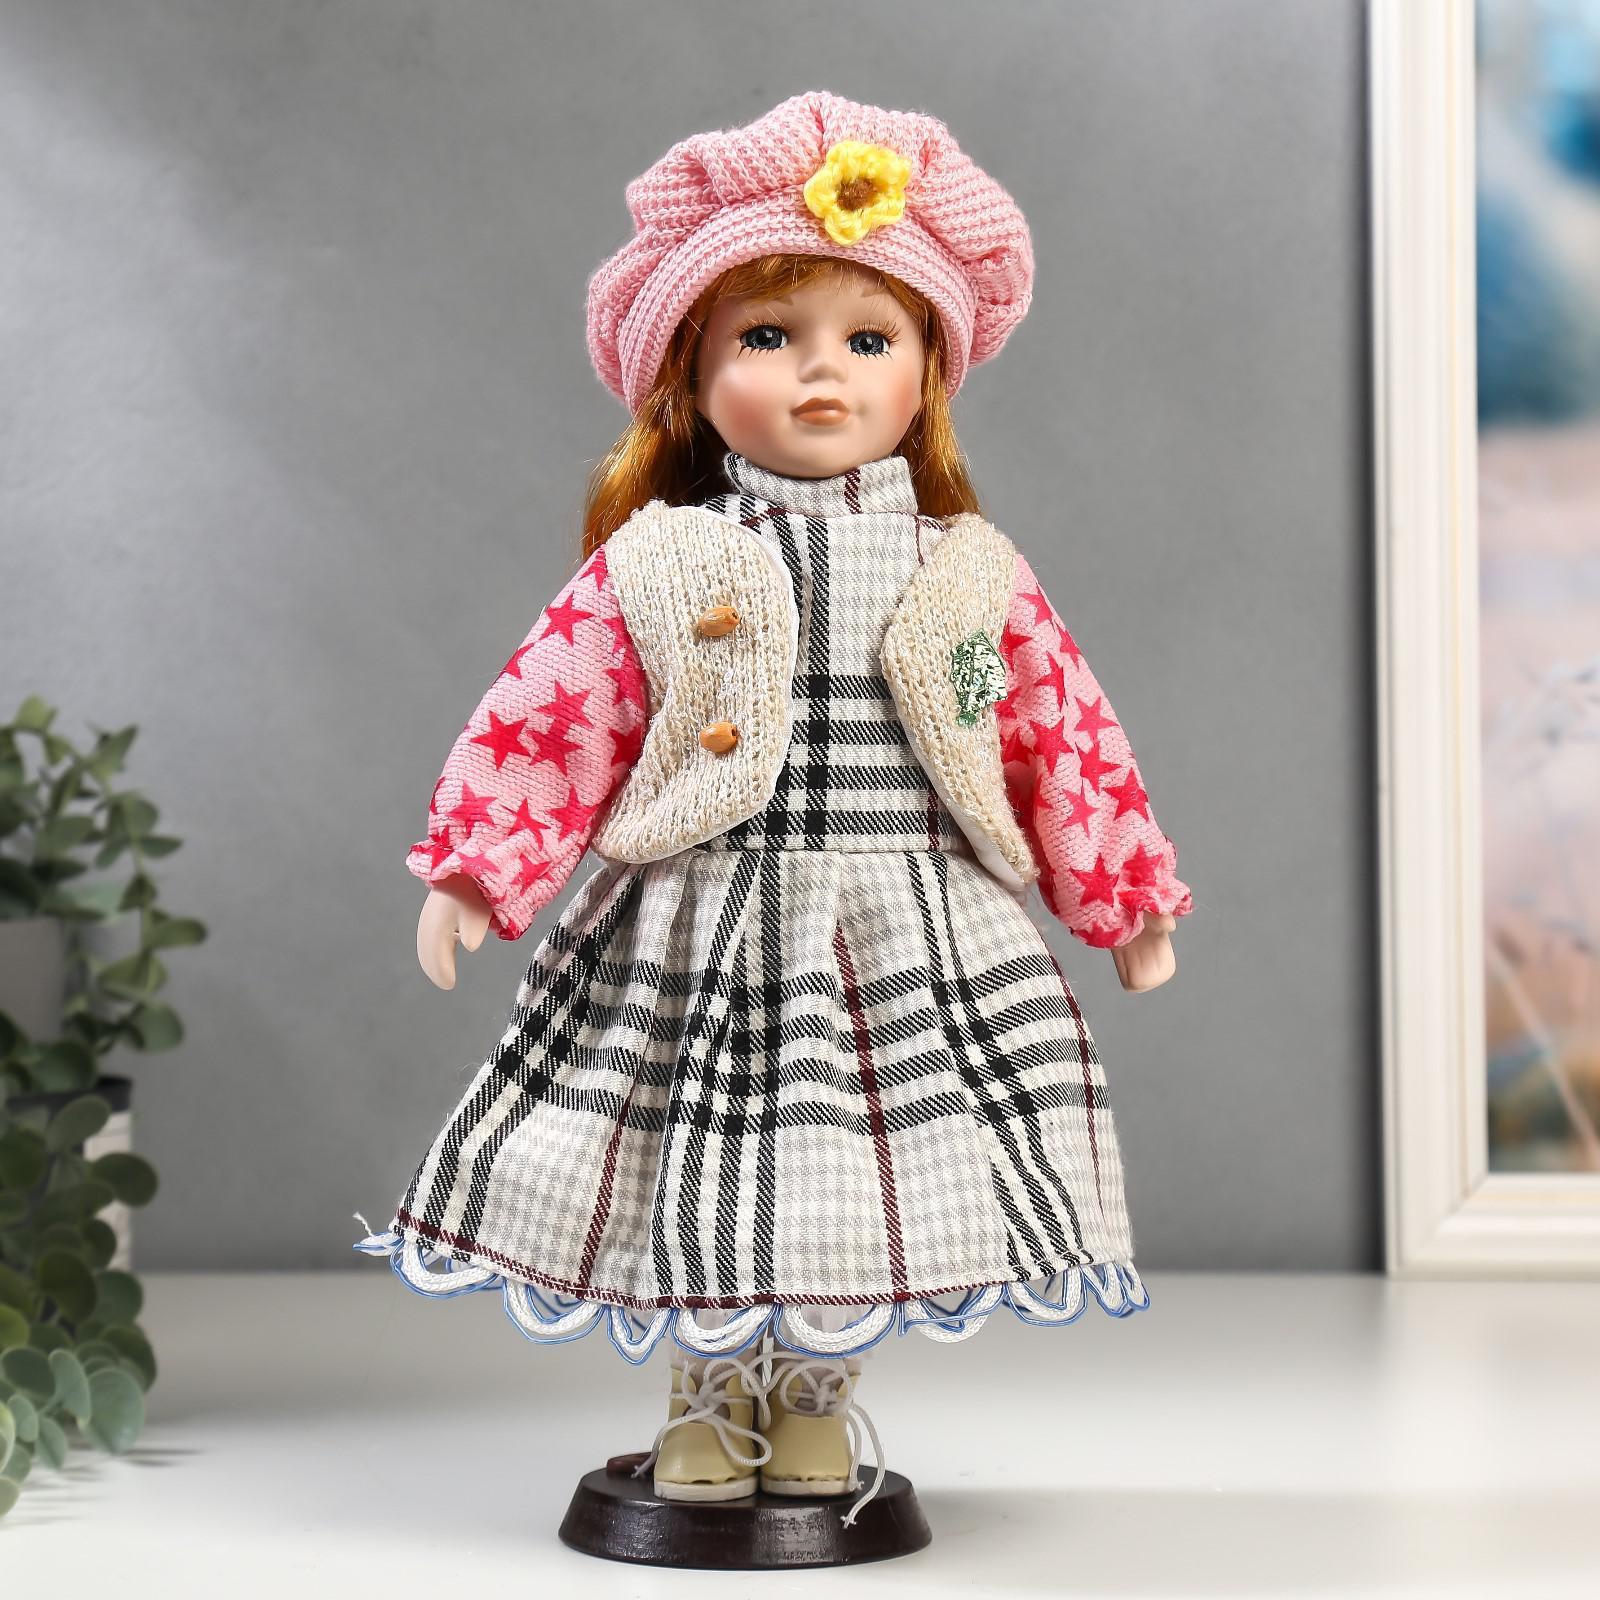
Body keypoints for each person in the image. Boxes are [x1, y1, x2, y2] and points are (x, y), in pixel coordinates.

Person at [356, 89, 1193, 1528]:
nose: (821, 375)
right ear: (689, 374)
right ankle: (704, 1399)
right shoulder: (661, 559)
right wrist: (479, 869)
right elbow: (554, 714)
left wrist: (1124, 897)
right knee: (703, 1168)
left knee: (847, 1184)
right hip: (704, 918)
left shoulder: (967, 570)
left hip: (905, 920)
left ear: (929, 374)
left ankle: (810, 1401)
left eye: (869, 340)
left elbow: (1056, 735)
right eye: (767, 337)